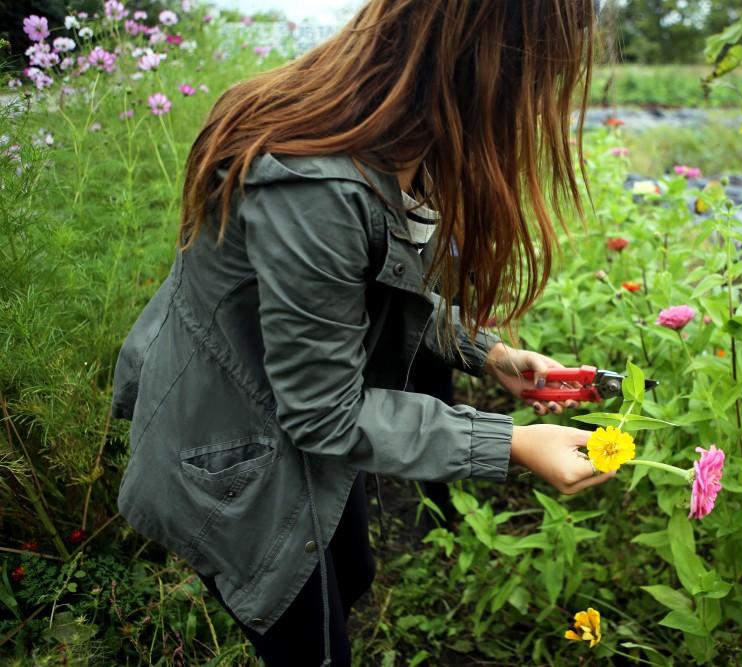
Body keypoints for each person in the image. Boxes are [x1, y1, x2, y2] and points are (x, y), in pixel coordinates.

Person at [109, 1, 613, 665]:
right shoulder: (314, 183)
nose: (543, 99)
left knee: (352, 572)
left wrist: (489, 353)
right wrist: (514, 444)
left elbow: (368, 294)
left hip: (288, 409)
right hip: (234, 448)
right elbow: (325, 413)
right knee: (313, 645)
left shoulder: (399, 142)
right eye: (548, 71)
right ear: (492, 61)